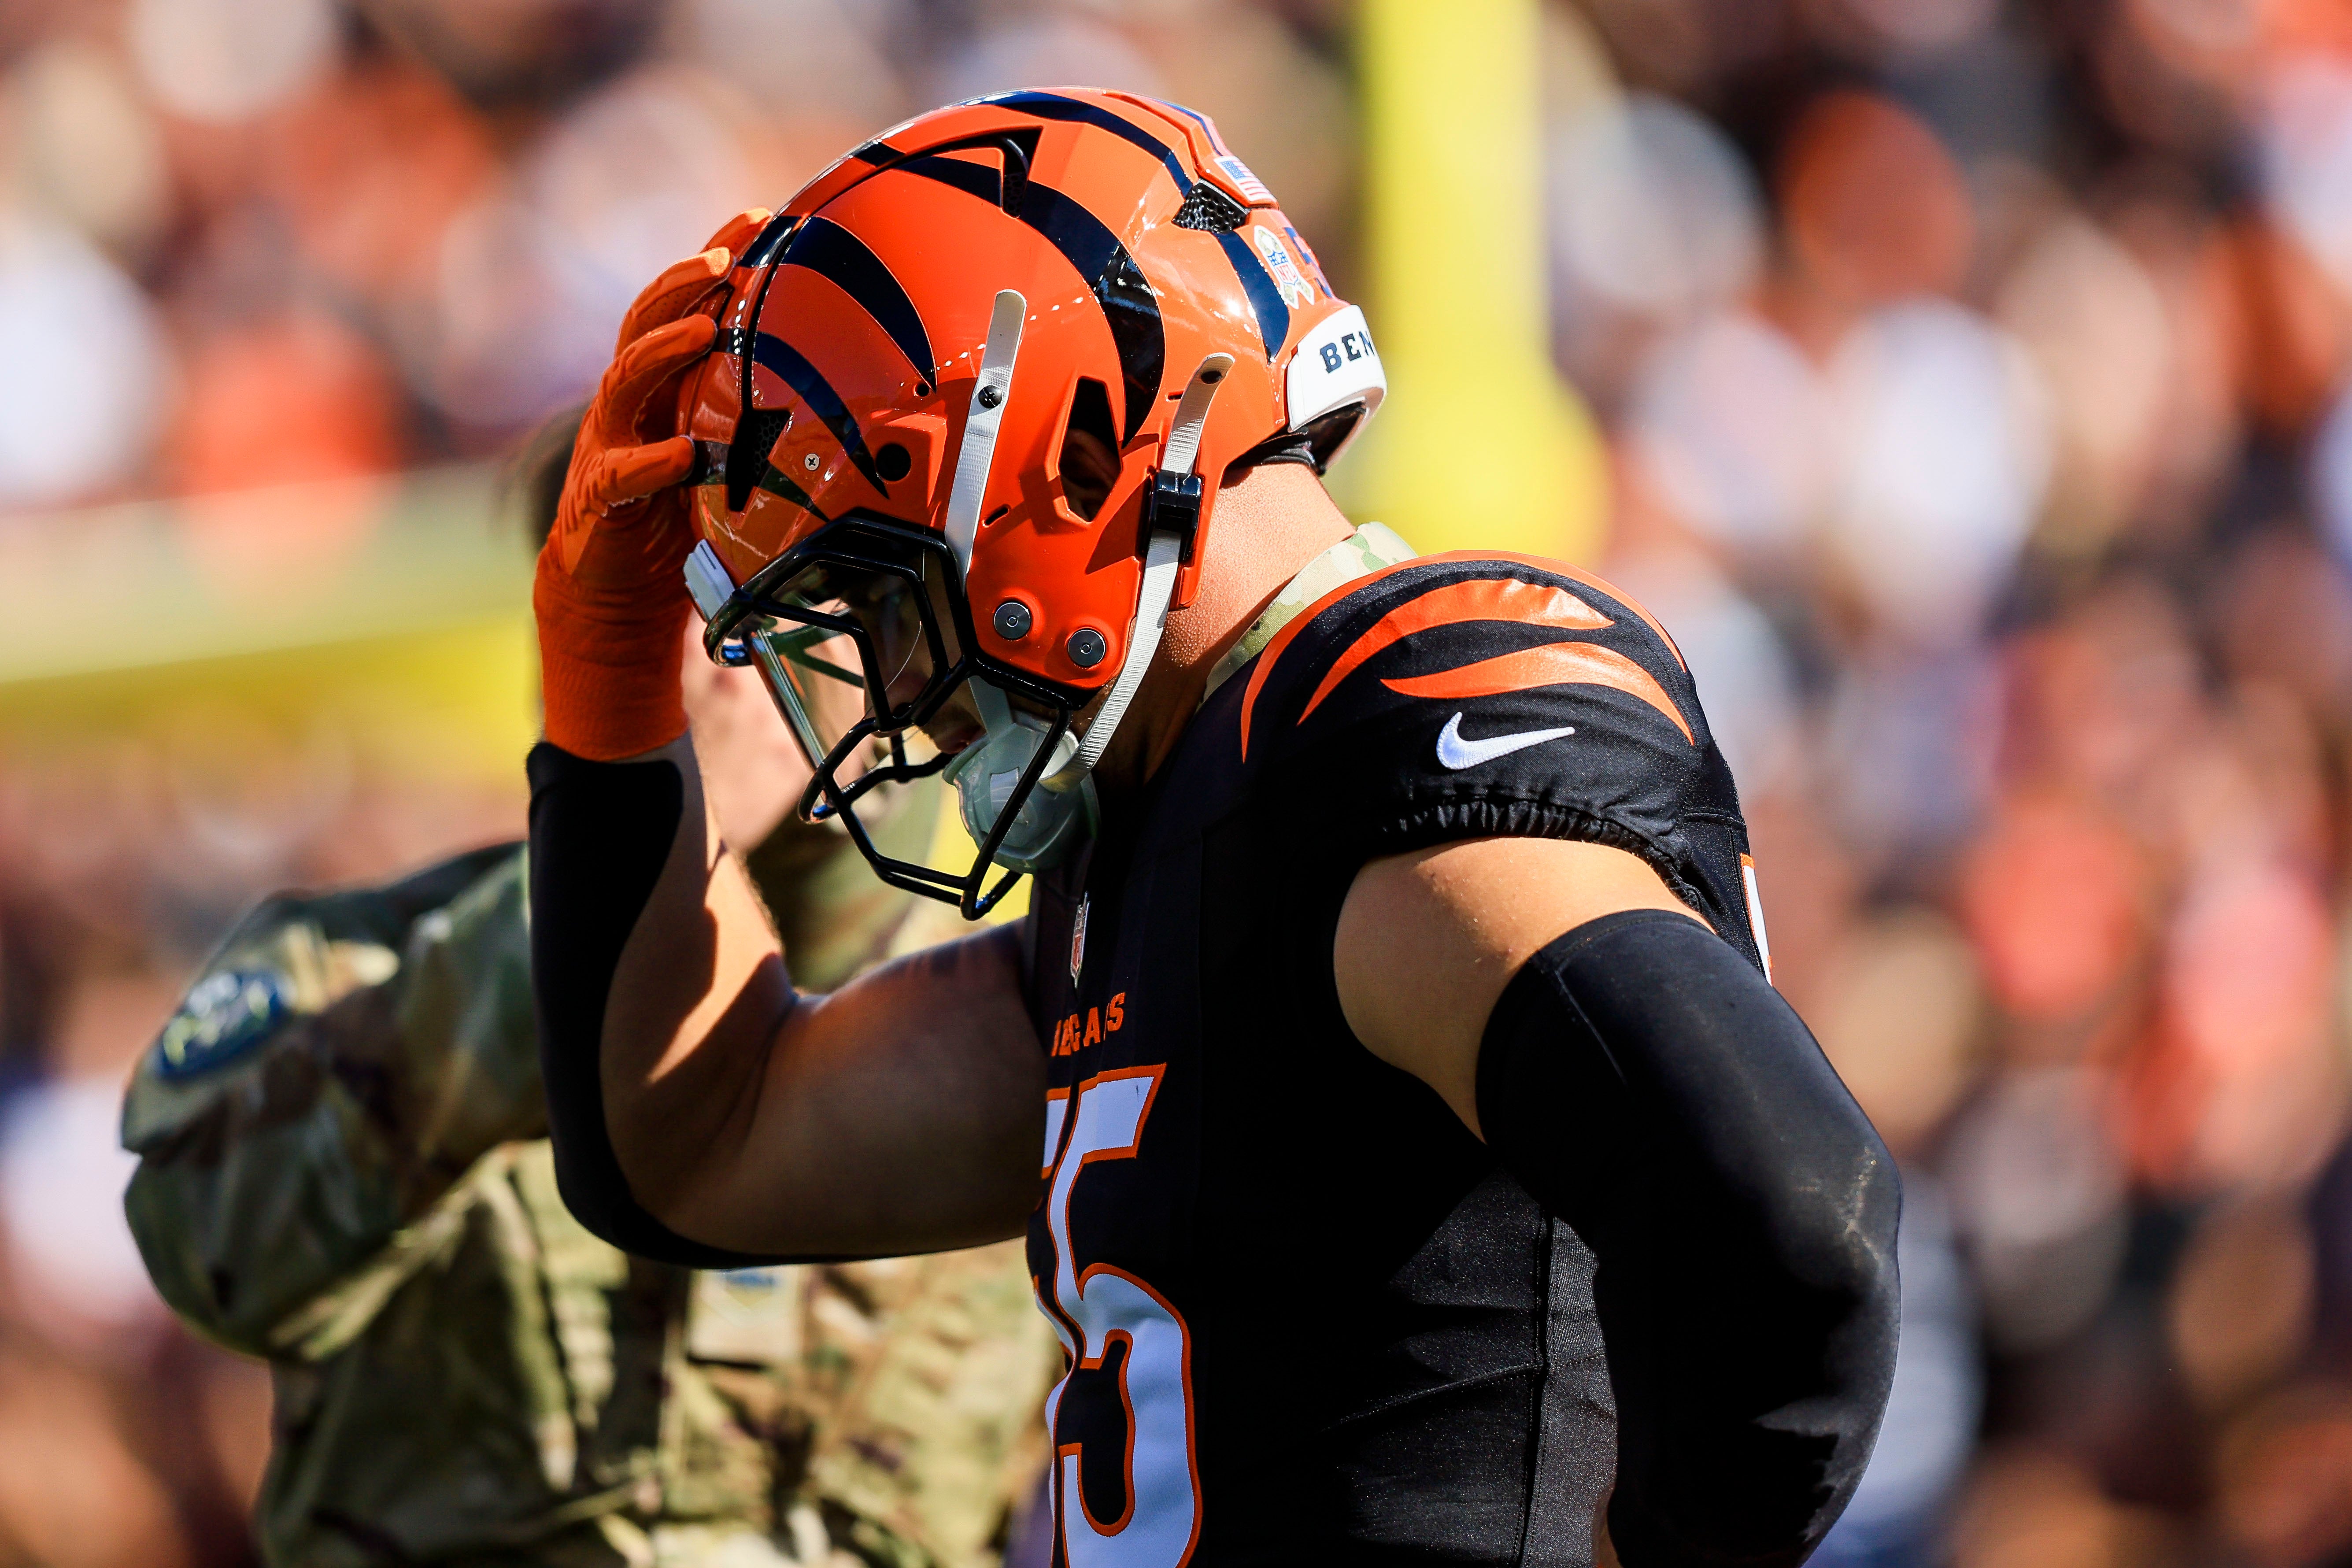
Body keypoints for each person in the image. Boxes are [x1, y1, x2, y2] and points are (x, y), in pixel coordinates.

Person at [528, 92, 1901, 1567]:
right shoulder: (1172, 812)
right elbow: (692, 1146)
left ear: (1068, 456)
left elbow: (1781, 1222)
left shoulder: (1384, 726)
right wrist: (604, 693)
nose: (893, 688)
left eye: (877, 596)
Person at [120, 410, 1062, 1568]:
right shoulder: (371, 964)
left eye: (755, 589)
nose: (709, 659)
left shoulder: (1032, 1008)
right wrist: (627, 856)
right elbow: (209, 1254)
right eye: (619, 610)